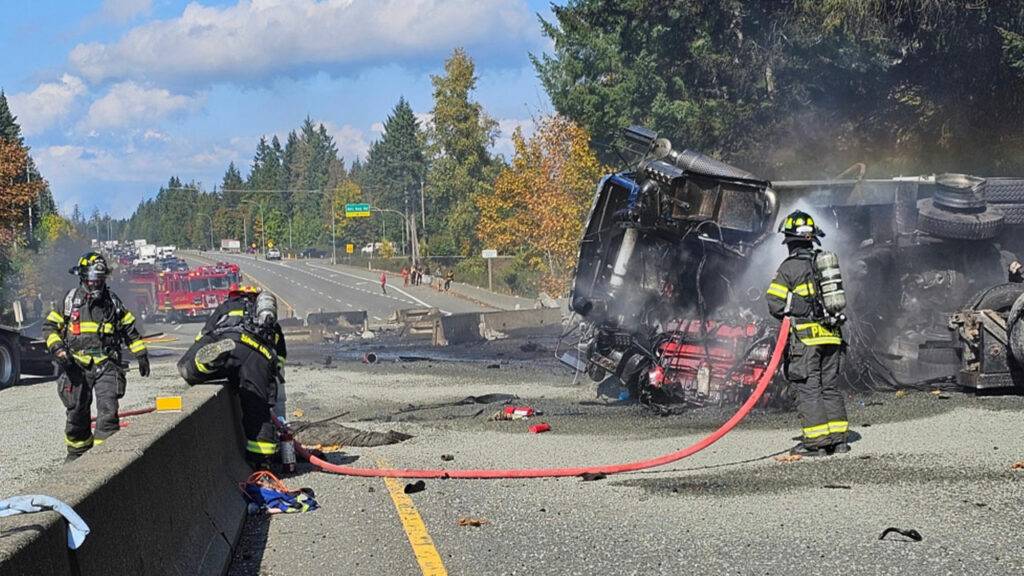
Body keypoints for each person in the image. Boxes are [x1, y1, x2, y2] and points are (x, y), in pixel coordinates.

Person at [42, 252, 150, 462]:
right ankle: (77, 458)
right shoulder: (69, 300)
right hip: (76, 366)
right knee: (76, 414)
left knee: (108, 412)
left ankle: (105, 462)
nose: (96, 284)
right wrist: (59, 350)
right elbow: (49, 327)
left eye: (100, 280)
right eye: (93, 280)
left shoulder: (112, 303)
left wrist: (141, 353)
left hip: (107, 365)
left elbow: (129, 330)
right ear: (83, 278)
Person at [766, 210, 849, 457]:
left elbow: (774, 302)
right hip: (833, 336)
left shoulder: (790, 267)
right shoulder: (824, 263)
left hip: (807, 340)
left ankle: (816, 443)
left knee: (809, 388)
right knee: (830, 388)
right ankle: (839, 440)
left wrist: (799, 310)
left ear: (790, 241)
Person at [177, 286, 287, 467]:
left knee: (187, 369)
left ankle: (208, 363)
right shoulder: (268, 320)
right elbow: (280, 355)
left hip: (229, 341)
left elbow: (204, 334)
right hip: (257, 356)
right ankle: (261, 464)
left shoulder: (226, 306)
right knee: (258, 411)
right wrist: (269, 374)